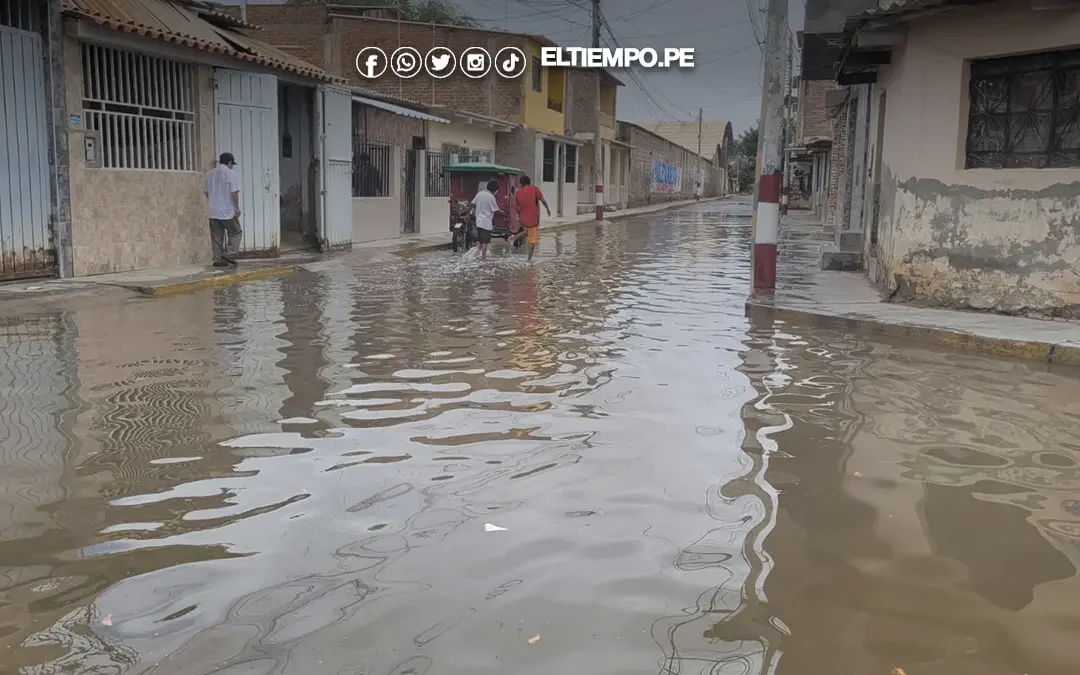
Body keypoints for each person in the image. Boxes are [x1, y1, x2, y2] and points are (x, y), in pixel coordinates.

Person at [205, 152, 241, 267]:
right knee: (236, 232)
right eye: (232, 164)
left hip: (213, 211)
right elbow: (234, 192)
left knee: (217, 236)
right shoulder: (230, 174)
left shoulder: (209, 174)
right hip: (226, 210)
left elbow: (206, 192)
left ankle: (218, 259)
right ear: (229, 162)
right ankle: (229, 254)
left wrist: (213, 201)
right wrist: (237, 208)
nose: (232, 166)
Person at [509, 175, 550, 261]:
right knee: (532, 241)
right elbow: (543, 200)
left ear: (521, 184)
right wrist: (547, 209)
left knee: (527, 232)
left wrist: (520, 216)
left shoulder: (518, 193)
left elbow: (516, 207)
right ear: (529, 183)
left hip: (523, 218)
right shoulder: (534, 189)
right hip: (533, 219)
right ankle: (529, 260)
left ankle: (514, 238)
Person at [470, 179, 501, 261]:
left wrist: (476, 209)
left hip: (478, 222)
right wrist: (504, 213)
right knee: (485, 242)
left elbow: (472, 203)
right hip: (486, 223)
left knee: (480, 242)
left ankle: (475, 256)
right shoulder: (491, 197)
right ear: (495, 190)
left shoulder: (480, 194)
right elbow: (496, 210)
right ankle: (483, 258)